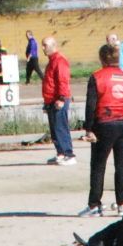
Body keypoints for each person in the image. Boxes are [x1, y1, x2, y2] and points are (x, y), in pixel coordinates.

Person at [80, 43, 123, 217]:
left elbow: (91, 104)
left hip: (105, 123)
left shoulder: (97, 77)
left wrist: (89, 128)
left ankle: (94, 205)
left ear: (102, 59)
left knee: (98, 165)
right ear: (118, 59)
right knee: (122, 166)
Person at [41, 36, 75, 165]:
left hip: (58, 100)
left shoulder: (59, 61)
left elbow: (63, 80)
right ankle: (60, 153)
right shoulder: (51, 61)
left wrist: (61, 98)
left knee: (61, 128)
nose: (43, 48)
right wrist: (46, 103)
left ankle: (68, 154)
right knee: (54, 129)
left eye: (45, 45)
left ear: (53, 45)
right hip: (51, 100)